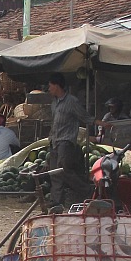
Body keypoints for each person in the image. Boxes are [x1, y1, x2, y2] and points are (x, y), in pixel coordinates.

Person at [46, 72, 94, 210]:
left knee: (64, 169)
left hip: (66, 141)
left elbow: (84, 116)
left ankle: (87, 190)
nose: (49, 89)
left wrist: (100, 123)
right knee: (54, 172)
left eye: (50, 86)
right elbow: (54, 123)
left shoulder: (72, 101)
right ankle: (56, 201)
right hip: (54, 140)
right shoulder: (54, 103)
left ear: (57, 86)